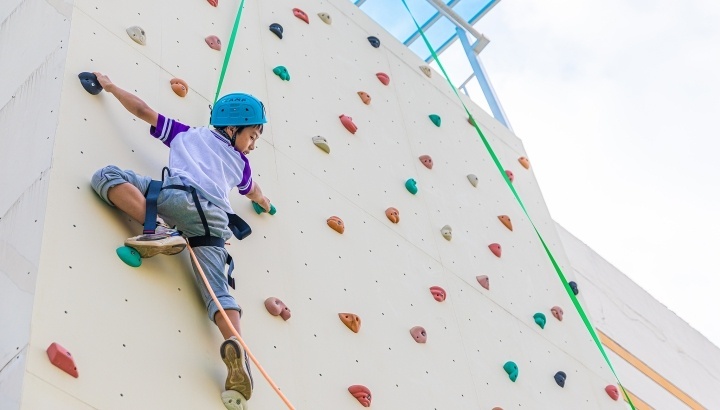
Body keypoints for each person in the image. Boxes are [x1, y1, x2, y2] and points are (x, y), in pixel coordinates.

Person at [89, 72, 269, 408]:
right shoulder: (242, 165)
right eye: (252, 135)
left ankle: (154, 227)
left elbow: (143, 110)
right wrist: (266, 204)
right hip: (214, 222)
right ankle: (236, 346)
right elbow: (255, 192)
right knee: (218, 290)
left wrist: (111, 86)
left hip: (177, 198)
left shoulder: (186, 135)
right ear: (232, 129)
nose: (253, 144)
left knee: (108, 175)